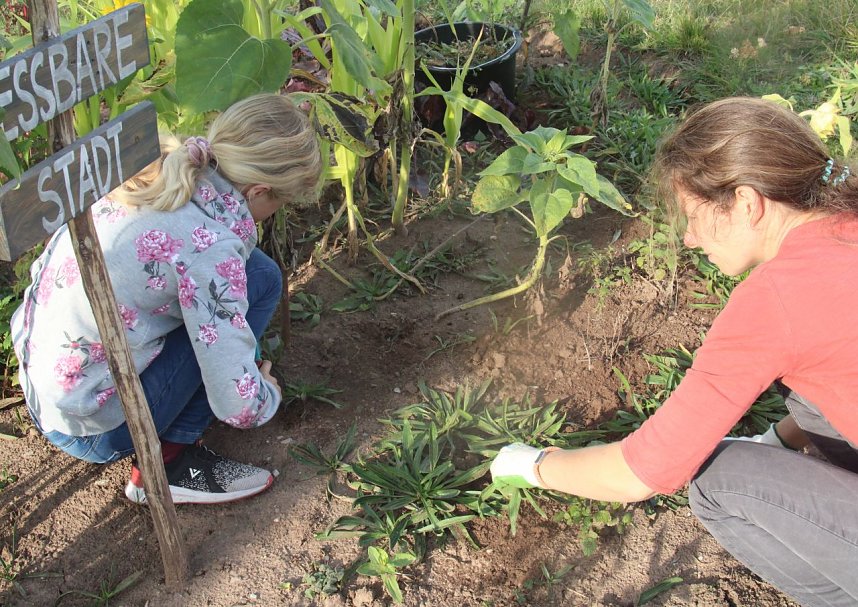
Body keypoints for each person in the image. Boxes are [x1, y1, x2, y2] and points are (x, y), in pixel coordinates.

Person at [490, 97, 858, 607]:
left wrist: (534, 464)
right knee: (805, 390)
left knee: (720, 480)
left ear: (746, 203)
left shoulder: (778, 298)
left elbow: (641, 473)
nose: (688, 239)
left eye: (693, 216)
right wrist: (776, 438)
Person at [11, 93, 322, 505]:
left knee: (258, 275)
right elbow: (239, 407)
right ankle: (171, 464)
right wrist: (265, 392)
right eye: (280, 201)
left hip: (49, 383)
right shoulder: (210, 246)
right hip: (92, 427)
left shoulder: (162, 164)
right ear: (258, 190)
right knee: (219, 333)